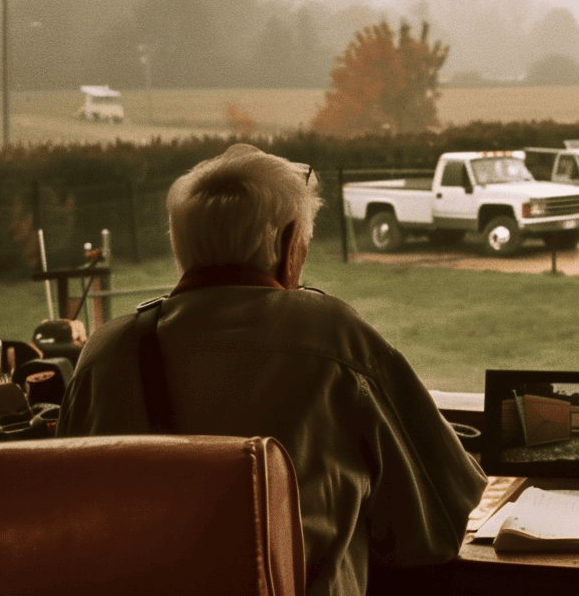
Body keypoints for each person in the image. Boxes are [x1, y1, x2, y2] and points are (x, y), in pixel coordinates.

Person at [59, 143, 486, 596]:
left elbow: (64, 529)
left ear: (182, 245)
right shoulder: (335, 338)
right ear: (287, 246)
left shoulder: (106, 352)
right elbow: (437, 527)